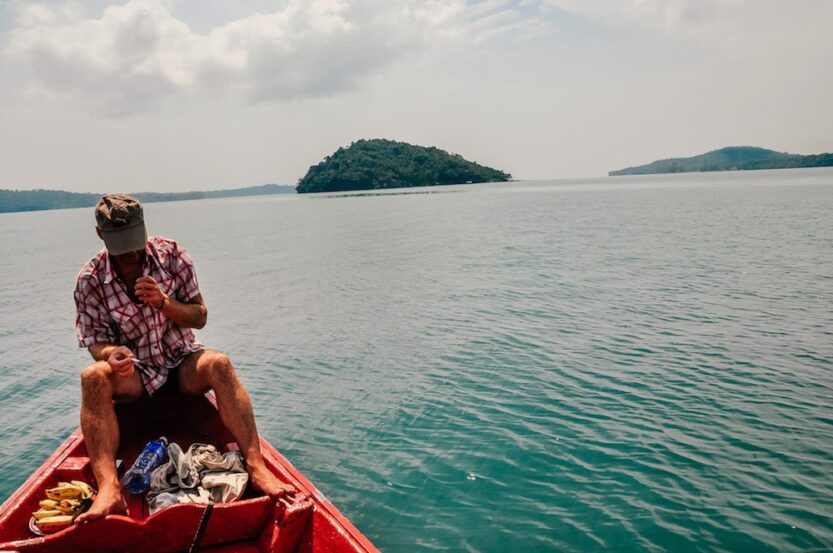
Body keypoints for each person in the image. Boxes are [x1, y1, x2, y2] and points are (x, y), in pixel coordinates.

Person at [73, 194, 294, 523]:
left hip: (180, 361)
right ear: (100, 234)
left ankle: (257, 465)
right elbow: (95, 341)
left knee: (219, 364)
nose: (132, 254)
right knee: (92, 376)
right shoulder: (90, 281)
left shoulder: (172, 256)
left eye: (135, 243)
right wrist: (110, 354)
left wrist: (164, 302)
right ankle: (109, 489)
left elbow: (199, 316)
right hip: (136, 373)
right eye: (122, 247)